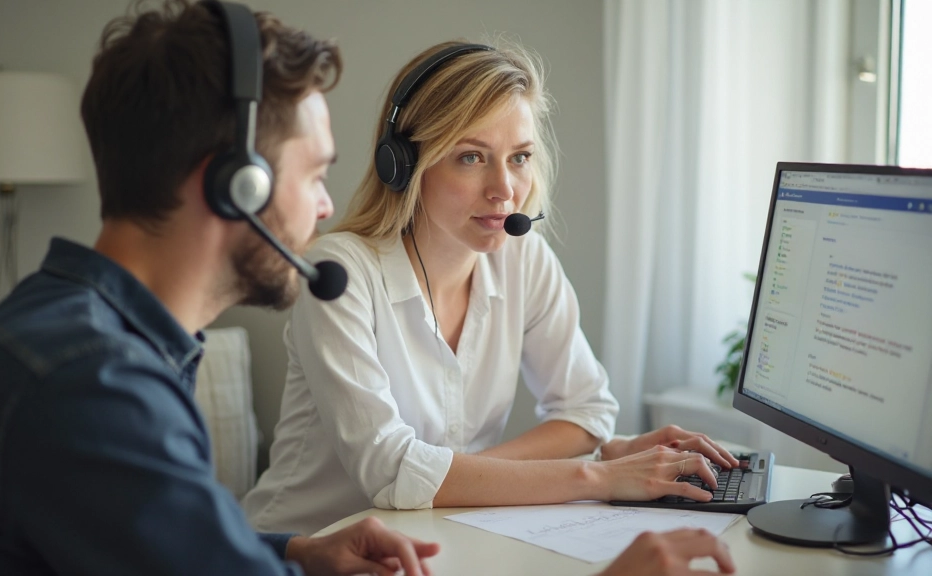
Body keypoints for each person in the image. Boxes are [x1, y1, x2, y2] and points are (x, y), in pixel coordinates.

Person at [0, 1, 439, 574]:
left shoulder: (83, 335)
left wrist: (296, 553)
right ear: (236, 185)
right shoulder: (94, 383)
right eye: (313, 175)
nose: (326, 206)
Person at [244, 40, 741, 539]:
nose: (504, 188)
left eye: (520, 157)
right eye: (471, 157)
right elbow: (391, 471)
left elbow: (588, 412)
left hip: (434, 541)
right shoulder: (337, 275)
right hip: (299, 552)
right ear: (405, 164)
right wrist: (598, 472)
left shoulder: (521, 258)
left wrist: (472, 475)